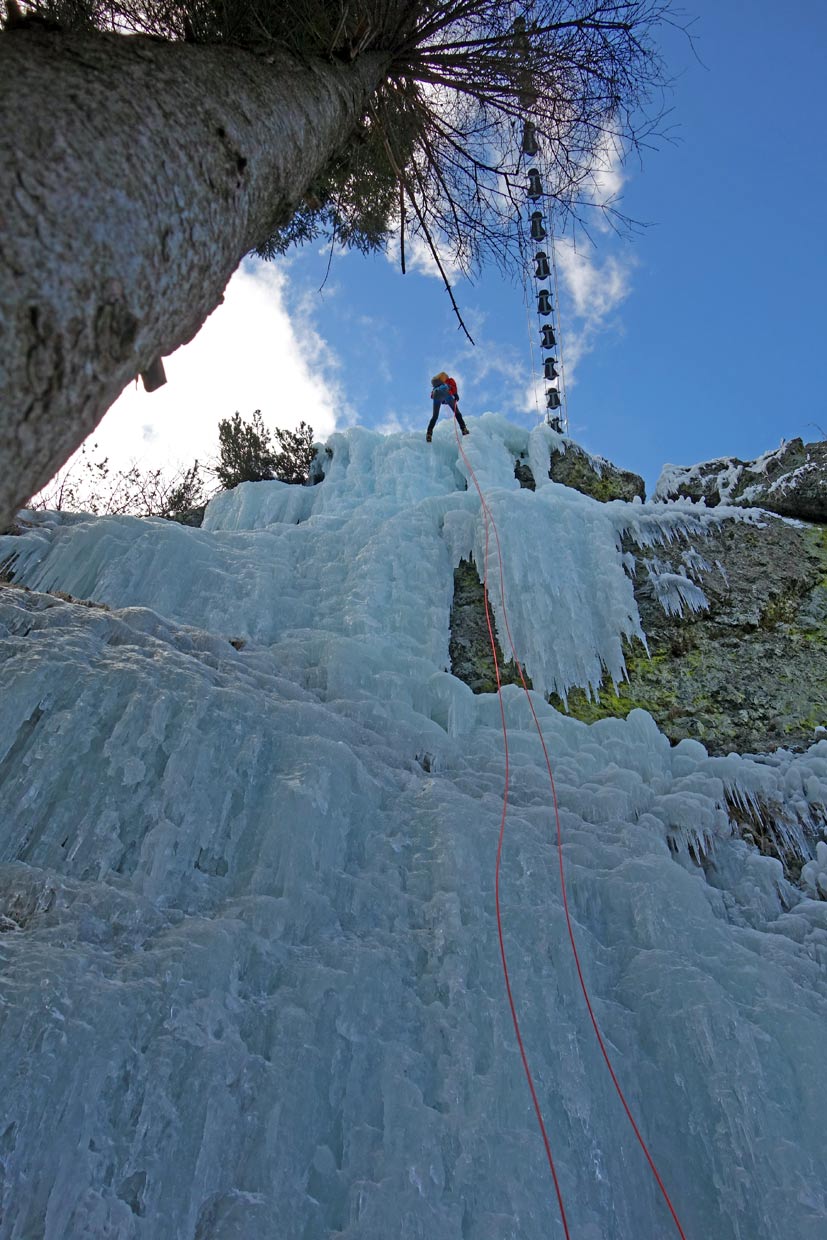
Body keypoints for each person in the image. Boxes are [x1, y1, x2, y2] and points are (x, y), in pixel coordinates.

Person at [426, 371, 469, 442]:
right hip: (446, 392)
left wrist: (442, 399)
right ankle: (463, 429)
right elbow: (453, 386)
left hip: (435, 395)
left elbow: (432, 396)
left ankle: (429, 433)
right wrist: (455, 394)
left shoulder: (435, 386)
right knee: (457, 412)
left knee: (435, 416)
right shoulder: (449, 380)